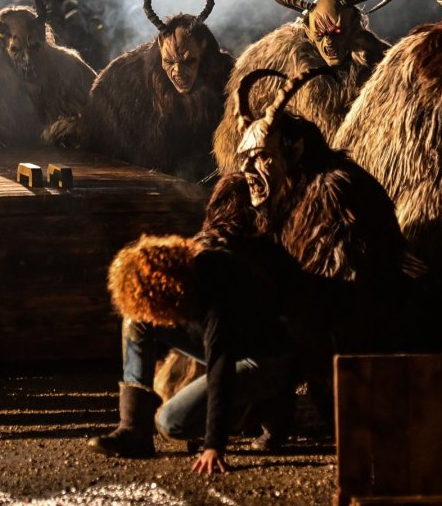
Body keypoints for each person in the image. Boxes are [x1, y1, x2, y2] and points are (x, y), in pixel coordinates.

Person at [88, 194, 304, 475]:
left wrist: (214, 444)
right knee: (136, 320)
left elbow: (221, 368)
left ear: (165, 289)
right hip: (233, 346)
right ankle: (134, 430)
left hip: (267, 359)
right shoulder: (188, 275)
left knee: (171, 423)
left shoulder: (219, 289)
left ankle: (267, 405)